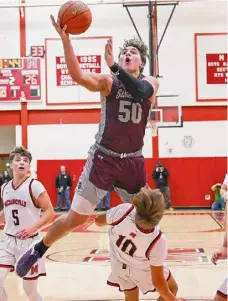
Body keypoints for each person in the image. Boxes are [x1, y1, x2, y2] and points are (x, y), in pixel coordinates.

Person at [15, 15, 159, 278]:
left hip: (133, 161)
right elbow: (78, 75)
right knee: (75, 219)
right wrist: (66, 40)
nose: (128, 54)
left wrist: (115, 66)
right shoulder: (109, 81)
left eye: (133, 52)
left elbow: (138, 91)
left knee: (148, 214)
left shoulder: (151, 83)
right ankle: (39, 248)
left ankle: (147, 263)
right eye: (124, 51)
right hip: (104, 159)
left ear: (141, 62)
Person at [95, 187, 184, 301]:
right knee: (171, 288)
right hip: (142, 270)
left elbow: (98, 221)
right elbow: (158, 282)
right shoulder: (158, 240)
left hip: (119, 264)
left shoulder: (124, 211)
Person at [0, 146, 55, 301]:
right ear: (11, 164)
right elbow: (7, 212)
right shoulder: (4, 187)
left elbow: (50, 212)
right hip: (8, 241)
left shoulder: (35, 185)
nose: (22, 162)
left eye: (25, 160)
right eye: (18, 160)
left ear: (29, 166)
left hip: (29, 244)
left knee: (29, 291)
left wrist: (32, 228)